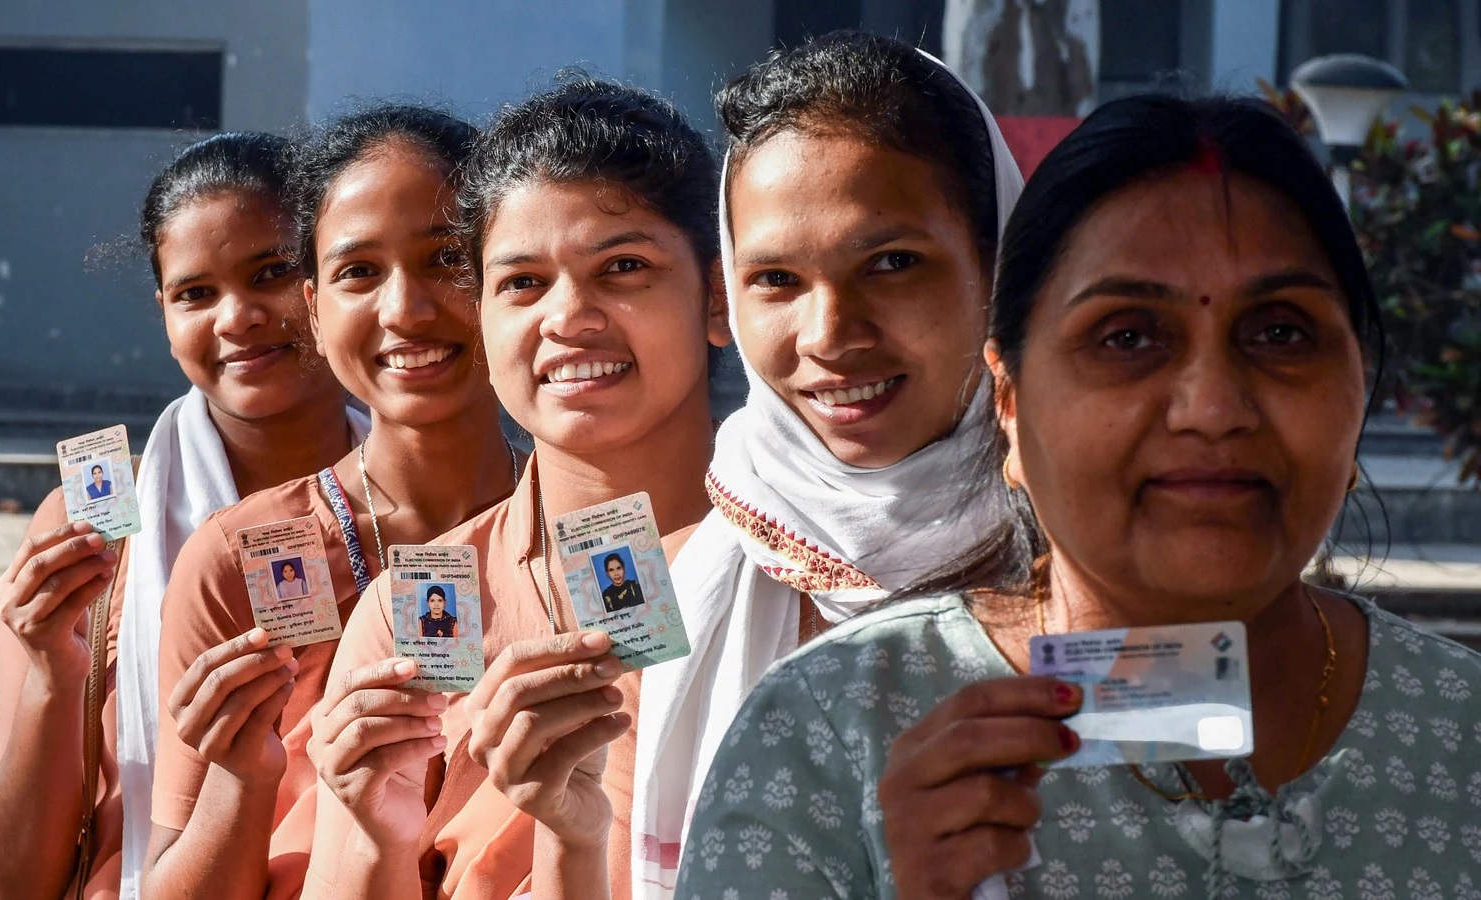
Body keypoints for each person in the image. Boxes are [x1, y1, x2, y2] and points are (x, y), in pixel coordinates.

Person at [677, 94, 1481, 898]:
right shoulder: (826, 737)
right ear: (1010, 403)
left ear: (1359, 387)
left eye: (1280, 332)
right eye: (1126, 336)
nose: (1210, 408)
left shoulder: (1460, 732)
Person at [303, 77, 729, 900]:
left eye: (624, 267)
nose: (568, 317)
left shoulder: (801, 571)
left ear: (717, 296)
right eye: (522, 283)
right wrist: (370, 829)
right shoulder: (420, 609)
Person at [634, 31, 1025, 895]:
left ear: (999, 266)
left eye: (892, 263)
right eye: (775, 279)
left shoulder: (1103, 565)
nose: (829, 336)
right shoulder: (704, 578)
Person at [0, 132, 369, 900]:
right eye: (196, 293)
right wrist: (56, 675)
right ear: (162, 310)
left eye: (273, 273)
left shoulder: (421, 509)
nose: (238, 317)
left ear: (329, 277)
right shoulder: (96, 530)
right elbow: (16, 877)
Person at [142, 105, 518, 900]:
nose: (404, 310)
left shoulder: (591, 534)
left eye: (447, 258)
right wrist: (245, 779)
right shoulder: (241, 560)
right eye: (359, 272)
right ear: (315, 308)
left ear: (506, 278)